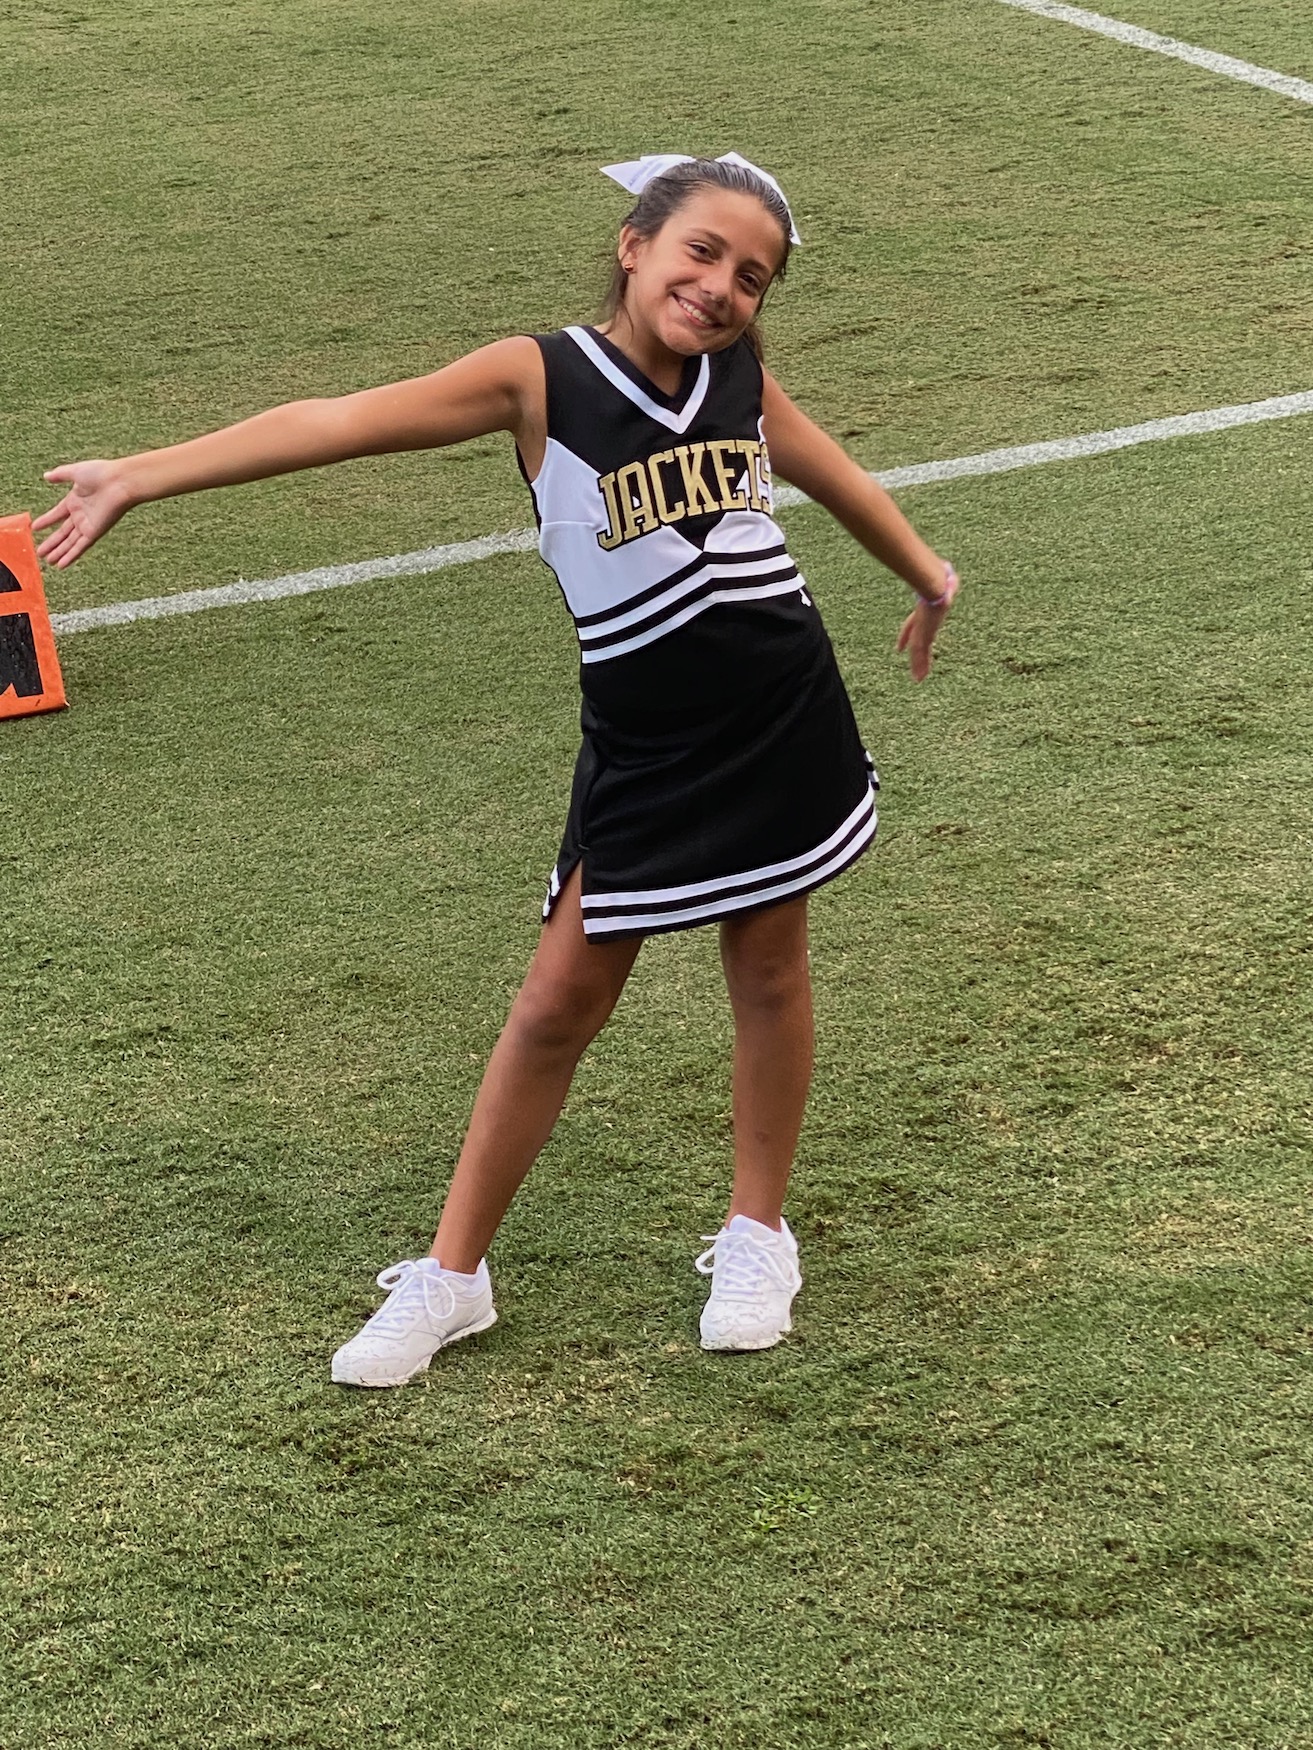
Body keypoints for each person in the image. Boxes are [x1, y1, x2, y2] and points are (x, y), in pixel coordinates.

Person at [35, 151, 959, 1387]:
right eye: (700, 251)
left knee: (769, 966)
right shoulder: (541, 377)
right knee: (553, 1006)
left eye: (751, 276)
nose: (720, 287)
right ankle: (453, 1274)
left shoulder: (737, 375)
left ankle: (758, 1234)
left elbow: (826, 468)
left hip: (781, 713)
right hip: (646, 745)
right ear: (633, 244)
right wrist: (143, 474)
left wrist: (925, 573)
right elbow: (340, 422)